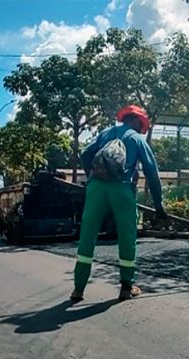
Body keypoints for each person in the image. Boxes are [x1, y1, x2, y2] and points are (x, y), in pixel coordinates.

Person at [71, 105, 167, 303]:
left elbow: (85, 155)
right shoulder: (137, 139)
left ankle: (78, 289)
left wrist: (92, 176)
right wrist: (159, 206)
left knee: (88, 234)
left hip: (96, 189)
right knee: (126, 235)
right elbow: (152, 173)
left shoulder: (105, 134)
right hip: (121, 188)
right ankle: (126, 286)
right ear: (138, 123)